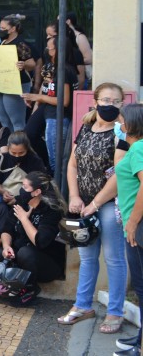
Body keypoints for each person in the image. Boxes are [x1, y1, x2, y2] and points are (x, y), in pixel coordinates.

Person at [58, 83, 127, 333]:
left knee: (113, 258)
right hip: (83, 203)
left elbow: (120, 173)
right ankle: (83, 306)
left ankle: (115, 312)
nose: (110, 104)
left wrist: (96, 203)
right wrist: (74, 197)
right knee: (87, 258)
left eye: (116, 101)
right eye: (106, 99)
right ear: (95, 100)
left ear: (122, 104)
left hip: (109, 203)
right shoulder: (86, 128)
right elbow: (73, 164)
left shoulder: (123, 132)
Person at [0, 171, 67, 305]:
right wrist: (6, 246)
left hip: (47, 263)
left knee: (25, 253)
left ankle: (30, 289)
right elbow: (6, 229)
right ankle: (10, 286)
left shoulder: (52, 210)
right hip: (21, 254)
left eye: (25, 187)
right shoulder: (22, 202)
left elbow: (40, 241)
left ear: (36, 192)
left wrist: (24, 219)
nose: (22, 189)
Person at [111, 103, 143, 355]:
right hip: (133, 226)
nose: (118, 124)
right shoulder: (134, 147)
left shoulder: (141, 147)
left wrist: (132, 221)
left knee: (142, 287)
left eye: (122, 120)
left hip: (138, 226)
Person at [23, 37, 78, 178]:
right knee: (28, 135)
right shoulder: (49, 66)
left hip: (57, 113)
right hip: (46, 107)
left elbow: (64, 101)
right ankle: (45, 168)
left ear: (58, 50)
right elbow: (45, 86)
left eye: (50, 48)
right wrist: (36, 103)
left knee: (56, 160)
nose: (47, 51)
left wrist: (38, 98)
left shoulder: (65, 70)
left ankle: (57, 185)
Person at [0, 14, 38, 132]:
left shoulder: (20, 44)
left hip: (16, 84)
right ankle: (8, 146)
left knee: (16, 121)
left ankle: (19, 147)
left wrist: (23, 65)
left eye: (3, 29)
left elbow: (32, 64)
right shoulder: (1, 44)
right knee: (3, 119)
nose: (0, 31)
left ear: (13, 29)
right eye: (0, 28)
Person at [0, 131, 48, 203]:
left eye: (21, 153)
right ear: (8, 148)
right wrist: (3, 192)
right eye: (13, 153)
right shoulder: (1, 159)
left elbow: (41, 184)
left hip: (27, 198)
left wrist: (19, 199)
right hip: (3, 196)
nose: (17, 156)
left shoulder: (35, 161)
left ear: (27, 149)